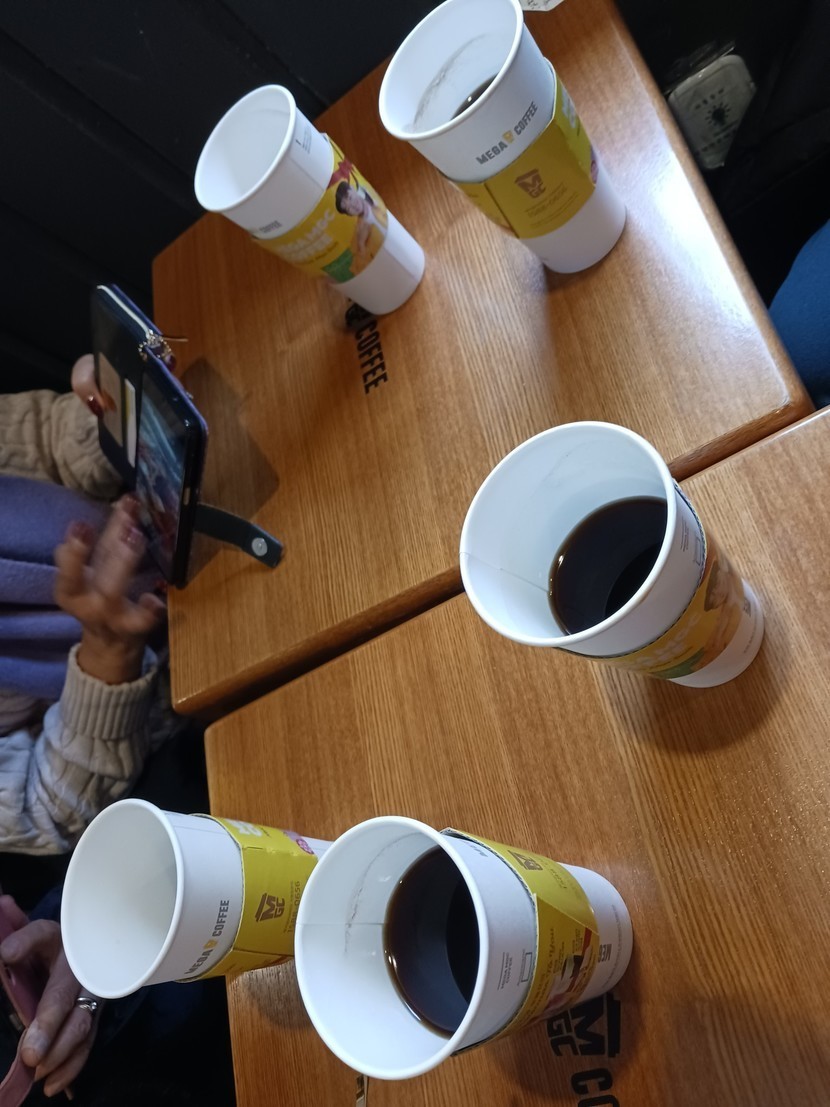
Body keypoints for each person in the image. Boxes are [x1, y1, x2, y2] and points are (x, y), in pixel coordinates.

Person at [0, 359, 167, 854]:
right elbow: (48, 807)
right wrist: (108, 653)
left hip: (177, 512)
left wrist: (113, 412)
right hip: (188, 691)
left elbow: (46, 438)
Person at [334, 181, 388, 272]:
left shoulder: (376, 198)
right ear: (349, 214)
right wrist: (361, 244)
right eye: (348, 208)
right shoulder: (357, 235)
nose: (353, 205)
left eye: (350, 198)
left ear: (352, 188)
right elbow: (358, 267)